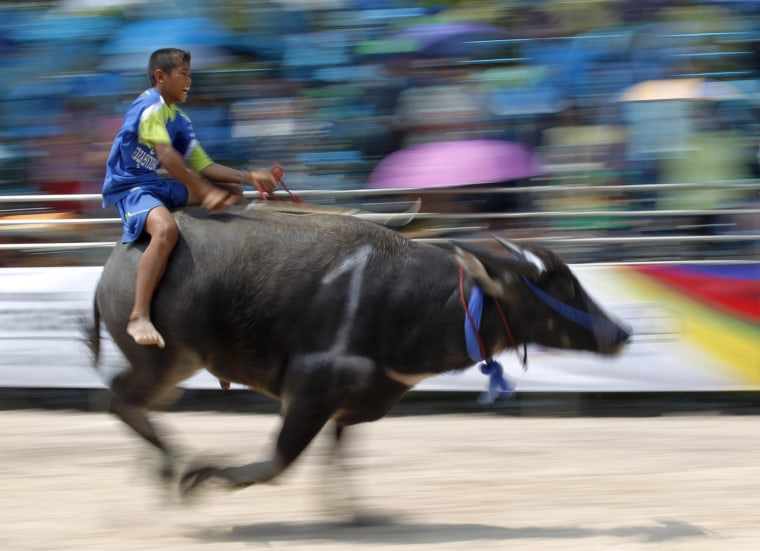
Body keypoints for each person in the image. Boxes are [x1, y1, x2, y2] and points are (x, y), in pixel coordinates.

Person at [102, 48, 277, 348]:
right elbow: (167, 156)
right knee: (165, 229)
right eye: (183, 74)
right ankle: (139, 316)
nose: (189, 81)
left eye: (190, 75)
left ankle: (234, 270)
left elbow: (204, 166)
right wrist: (203, 191)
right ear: (160, 77)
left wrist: (249, 177)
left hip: (155, 185)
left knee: (233, 193)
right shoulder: (149, 106)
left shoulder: (180, 119)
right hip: (132, 189)